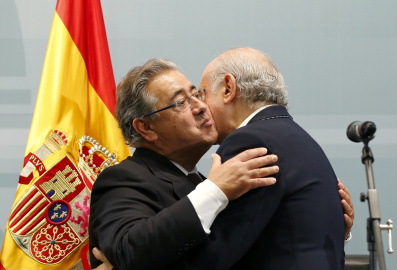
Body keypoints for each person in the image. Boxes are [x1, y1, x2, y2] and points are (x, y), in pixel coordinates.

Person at [90, 56, 354, 270]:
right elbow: (126, 249)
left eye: (198, 94)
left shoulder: (218, 181)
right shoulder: (125, 179)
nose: (200, 107)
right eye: (181, 102)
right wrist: (214, 191)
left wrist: (316, 218)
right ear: (146, 128)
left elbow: (242, 250)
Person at [183, 47, 347, 269]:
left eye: (201, 94)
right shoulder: (297, 136)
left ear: (228, 88)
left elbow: (218, 253)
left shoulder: (250, 141)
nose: (200, 106)